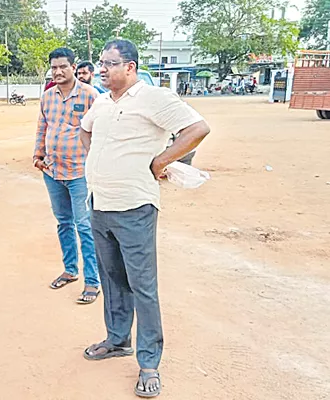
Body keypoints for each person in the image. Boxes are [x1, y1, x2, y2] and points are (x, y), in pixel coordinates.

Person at [79, 40, 210, 398]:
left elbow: (196, 129)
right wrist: (97, 161)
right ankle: (118, 339)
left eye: (110, 63)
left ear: (131, 67)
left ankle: (149, 362)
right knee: (112, 279)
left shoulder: (154, 97)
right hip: (100, 204)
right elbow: (84, 128)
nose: (102, 69)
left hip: (135, 207)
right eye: (100, 63)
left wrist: (160, 162)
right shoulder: (102, 102)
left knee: (142, 286)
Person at [34, 48, 101, 305]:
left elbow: (99, 131)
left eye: (63, 66)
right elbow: (43, 126)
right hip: (52, 170)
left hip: (79, 173)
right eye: (54, 67)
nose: (58, 71)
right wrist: (38, 154)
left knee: (85, 226)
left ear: (73, 67)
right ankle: (71, 269)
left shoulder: (89, 95)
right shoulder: (48, 96)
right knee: (63, 222)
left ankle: (93, 281)